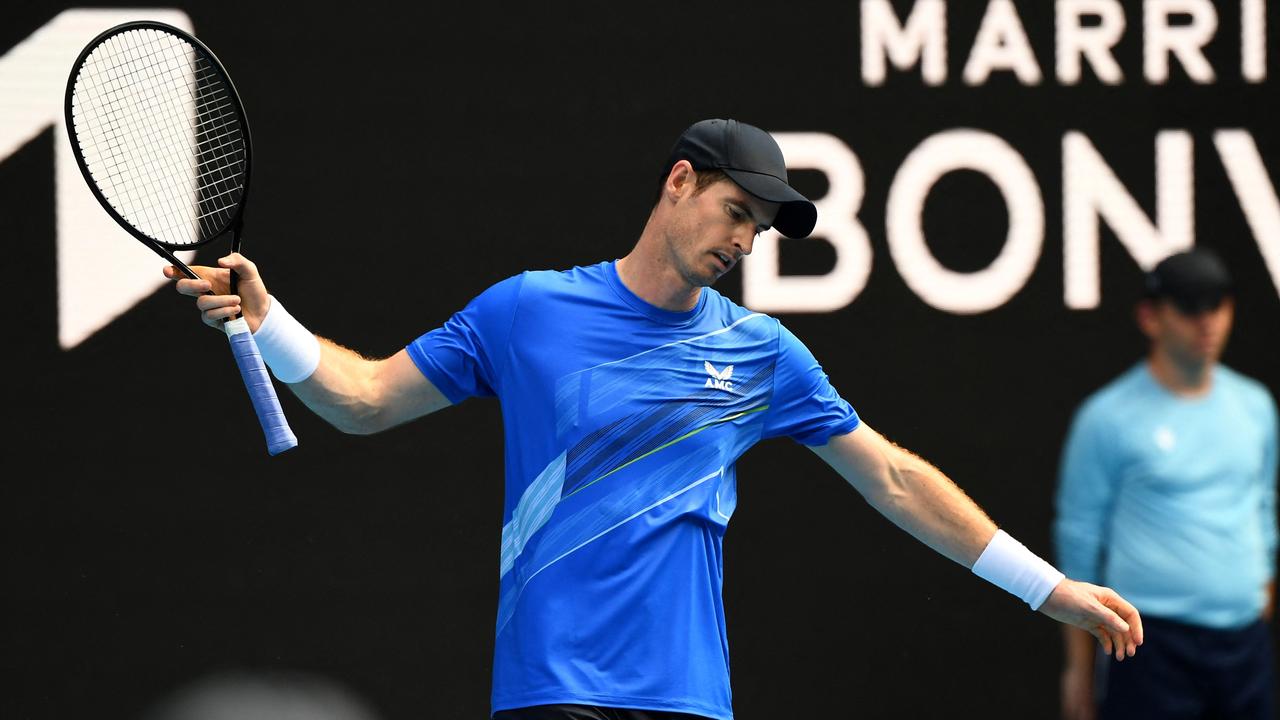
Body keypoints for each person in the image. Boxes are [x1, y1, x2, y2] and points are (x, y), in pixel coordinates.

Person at [169, 118, 1143, 720]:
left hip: (686, 701)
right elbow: (367, 400)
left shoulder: (761, 353)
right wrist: (272, 320)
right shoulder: (526, 311)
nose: (740, 241)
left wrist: (1041, 586)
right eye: (732, 212)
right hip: (551, 694)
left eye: (754, 231)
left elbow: (890, 476)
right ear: (677, 181)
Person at [1054, 248, 1278, 720]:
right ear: (1150, 318)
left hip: (1245, 645)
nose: (1207, 322)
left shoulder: (1256, 407)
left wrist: (1257, 598)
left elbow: (1263, 509)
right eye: (1190, 308)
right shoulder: (1106, 419)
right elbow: (1078, 543)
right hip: (1148, 646)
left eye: (1218, 305)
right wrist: (1079, 667)